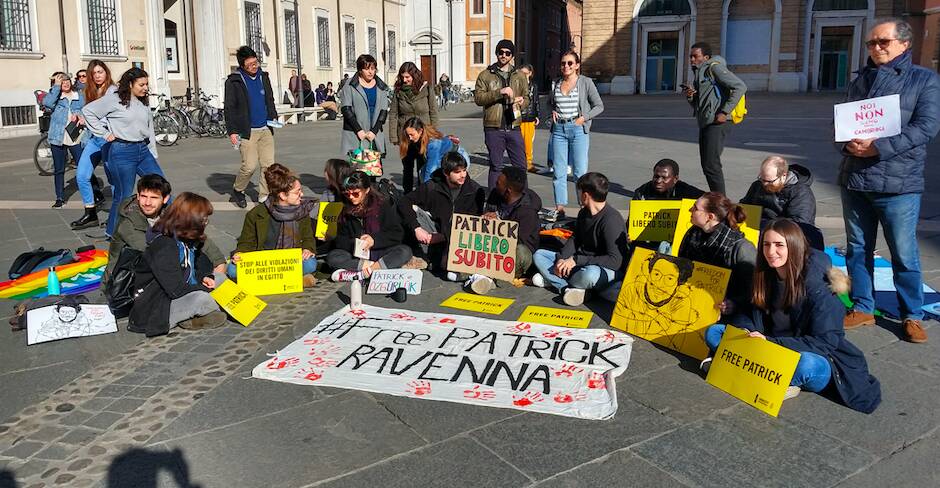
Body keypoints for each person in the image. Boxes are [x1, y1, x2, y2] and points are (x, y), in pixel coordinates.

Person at [702, 219, 882, 413]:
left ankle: (755, 372)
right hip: (767, 347)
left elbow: (825, 342)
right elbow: (750, 309)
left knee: (808, 366)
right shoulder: (765, 275)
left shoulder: (820, 289)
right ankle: (766, 376)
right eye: (766, 244)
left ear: (794, 247)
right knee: (714, 332)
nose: (771, 252)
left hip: (807, 353)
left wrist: (769, 342)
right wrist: (741, 318)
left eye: (779, 245)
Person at [840, 18, 940, 343]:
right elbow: (841, 121)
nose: (876, 48)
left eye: (883, 41)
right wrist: (846, 142)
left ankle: (912, 314)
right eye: (871, 43)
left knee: (904, 252)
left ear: (904, 44)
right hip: (855, 178)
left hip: (898, 182)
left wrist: (878, 148)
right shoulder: (860, 80)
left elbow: (926, 127)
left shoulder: (924, 79)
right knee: (857, 248)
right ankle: (863, 306)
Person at [129, 192, 227, 337]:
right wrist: (206, 289)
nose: (206, 222)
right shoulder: (164, 245)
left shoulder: (187, 238)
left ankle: (197, 315)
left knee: (221, 280)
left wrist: (207, 277)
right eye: (204, 218)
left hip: (183, 290)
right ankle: (190, 317)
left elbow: (201, 266)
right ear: (190, 219)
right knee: (204, 298)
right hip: (158, 305)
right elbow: (175, 289)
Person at [102, 174, 227, 288]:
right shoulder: (128, 223)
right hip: (124, 283)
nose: (147, 203)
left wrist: (217, 264)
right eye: (144, 196)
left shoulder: (168, 213)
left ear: (165, 199)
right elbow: (157, 255)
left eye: (154, 197)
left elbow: (199, 239)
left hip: (161, 273)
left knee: (210, 268)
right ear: (138, 196)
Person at [82, 67, 165, 237]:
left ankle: (167, 227)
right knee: (124, 195)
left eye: (146, 84)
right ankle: (112, 232)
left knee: (162, 188)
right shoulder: (114, 99)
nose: (145, 88)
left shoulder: (143, 101)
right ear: (130, 84)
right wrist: (105, 134)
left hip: (143, 150)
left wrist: (153, 152)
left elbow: (148, 128)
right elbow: (88, 112)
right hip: (121, 152)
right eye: (141, 84)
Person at [533, 172, 627, 306]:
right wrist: (561, 258)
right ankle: (567, 287)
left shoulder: (611, 220)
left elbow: (616, 261)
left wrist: (576, 260)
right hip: (578, 265)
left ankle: (559, 281)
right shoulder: (583, 213)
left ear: (585, 195)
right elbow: (575, 239)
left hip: (602, 269)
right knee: (539, 255)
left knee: (590, 275)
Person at [229, 164, 318, 288]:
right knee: (232, 270)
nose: (301, 194)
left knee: (310, 264)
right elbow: (246, 242)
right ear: (282, 195)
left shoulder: (302, 211)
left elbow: (308, 238)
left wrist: (308, 249)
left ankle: (270, 280)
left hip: (291, 261)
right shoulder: (256, 214)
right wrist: (240, 253)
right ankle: (292, 279)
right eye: (297, 192)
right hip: (265, 262)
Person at [397, 152, 486, 275]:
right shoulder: (432, 186)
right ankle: (422, 255)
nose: (463, 175)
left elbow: (473, 223)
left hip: (457, 237)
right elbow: (404, 201)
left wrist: (443, 236)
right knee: (409, 209)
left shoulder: (475, 191)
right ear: (446, 173)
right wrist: (416, 228)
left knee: (447, 265)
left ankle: (435, 259)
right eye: (457, 172)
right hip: (433, 229)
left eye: (464, 170)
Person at [467, 166, 543, 294]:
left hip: (515, 253)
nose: (495, 185)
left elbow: (519, 241)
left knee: (521, 252)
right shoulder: (495, 195)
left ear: (508, 191)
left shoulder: (527, 211)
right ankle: (483, 276)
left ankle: (488, 278)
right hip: (492, 248)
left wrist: (499, 225)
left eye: (498, 183)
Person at [683, 42, 746, 194]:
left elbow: (740, 86)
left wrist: (725, 112)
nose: (692, 59)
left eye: (695, 56)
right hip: (706, 122)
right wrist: (691, 96)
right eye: (690, 56)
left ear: (706, 57)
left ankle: (721, 201)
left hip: (717, 123)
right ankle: (717, 197)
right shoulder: (699, 74)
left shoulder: (714, 68)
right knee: (707, 164)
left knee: (711, 164)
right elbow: (700, 105)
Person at [327, 171, 414, 281]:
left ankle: (364, 272)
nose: (351, 197)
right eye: (347, 194)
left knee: (404, 251)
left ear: (367, 190)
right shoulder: (346, 210)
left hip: (382, 251)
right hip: (358, 255)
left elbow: (396, 234)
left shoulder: (383, 205)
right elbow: (340, 240)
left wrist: (374, 240)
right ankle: (374, 269)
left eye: (355, 193)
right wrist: (355, 242)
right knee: (333, 257)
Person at [678, 192, 756, 313]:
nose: (690, 210)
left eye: (695, 208)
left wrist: (734, 304)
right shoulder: (692, 234)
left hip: (725, 313)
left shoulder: (741, 248)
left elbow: (755, 290)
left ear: (710, 217)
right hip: (691, 303)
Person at [548, 50, 604, 218]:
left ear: (577, 65)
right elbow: (549, 103)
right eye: (563, 63)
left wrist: (584, 118)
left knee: (580, 172)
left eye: (570, 63)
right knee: (559, 171)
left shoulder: (585, 82)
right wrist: (551, 111)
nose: (566, 66)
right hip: (559, 130)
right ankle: (560, 208)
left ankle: (583, 206)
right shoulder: (555, 83)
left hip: (578, 129)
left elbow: (599, 106)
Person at [224, 45, 278, 208]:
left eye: (256, 63)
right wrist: (232, 131)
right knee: (249, 166)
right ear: (242, 66)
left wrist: (273, 115)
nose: (254, 67)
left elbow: (269, 98)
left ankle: (264, 196)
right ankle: (238, 190)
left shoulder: (264, 76)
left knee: (268, 166)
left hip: (266, 128)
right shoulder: (234, 81)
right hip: (247, 130)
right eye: (250, 65)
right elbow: (229, 106)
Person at [474, 39, 530, 190]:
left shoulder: (519, 75)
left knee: (520, 166)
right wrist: (499, 93)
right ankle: (493, 203)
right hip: (494, 127)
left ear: (512, 56)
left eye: (507, 53)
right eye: (501, 52)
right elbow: (478, 99)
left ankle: (522, 200)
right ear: (496, 53)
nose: (503, 55)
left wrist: (521, 102)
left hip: (514, 125)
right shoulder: (485, 75)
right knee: (496, 166)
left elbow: (527, 98)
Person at [70, 60, 114, 230]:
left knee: (113, 179)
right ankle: (91, 214)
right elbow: (90, 113)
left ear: (106, 72)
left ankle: (117, 216)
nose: (97, 75)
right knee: (82, 175)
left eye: (100, 72)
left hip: (108, 138)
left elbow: (109, 115)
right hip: (94, 139)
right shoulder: (91, 91)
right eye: (94, 73)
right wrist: (81, 117)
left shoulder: (112, 91)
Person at [389, 62, 439, 190]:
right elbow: (394, 114)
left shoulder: (427, 88)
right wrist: (394, 136)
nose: (404, 80)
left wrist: (434, 133)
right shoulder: (398, 91)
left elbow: (433, 111)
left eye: (407, 77)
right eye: (402, 77)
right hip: (406, 134)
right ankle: (407, 194)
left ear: (414, 75)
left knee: (424, 165)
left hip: (424, 133)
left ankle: (423, 193)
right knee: (407, 166)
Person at [43, 72, 85, 208]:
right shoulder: (55, 97)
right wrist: (56, 87)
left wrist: (79, 115)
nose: (65, 83)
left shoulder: (79, 96)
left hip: (76, 136)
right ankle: (60, 197)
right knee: (59, 169)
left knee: (84, 166)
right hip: (58, 136)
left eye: (67, 80)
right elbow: (47, 104)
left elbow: (87, 111)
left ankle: (96, 193)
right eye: (61, 81)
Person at [741, 155, 816, 226]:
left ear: (783, 176)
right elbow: (744, 206)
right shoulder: (757, 185)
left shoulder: (801, 192)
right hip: (757, 229)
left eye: (769, 181)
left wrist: (765, 225)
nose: (764, 184)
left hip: (786, 234)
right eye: (762, 179)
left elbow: (799, 223)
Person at [340, 54, 390, 158]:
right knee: (358, 169)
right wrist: (359, 130)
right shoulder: (350, 85)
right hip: (356, 133)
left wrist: (374, 131)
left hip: (374, 133)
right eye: (367, 69)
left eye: (373, 68)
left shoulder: (381, 86)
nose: (371, 72)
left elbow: (383, 111)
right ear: (360, 70)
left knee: (373, 169)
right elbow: (346, 109)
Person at [396, 117, 462, 192]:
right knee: (423, 174)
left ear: (420, 131)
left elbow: (431, 169)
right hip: (440, 156)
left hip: (455, 156)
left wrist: (426, 190)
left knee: (439, 178)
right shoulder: (414, 139)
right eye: (408, 135)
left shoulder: (433, 143)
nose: (410, 138)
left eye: (412, 135)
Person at [632, 159, 705, 201]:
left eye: (664, 178)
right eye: (656, 176)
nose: (658, 181)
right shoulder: (642, 192)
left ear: (675, 179)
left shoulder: (688, 192)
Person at [518, 64, 540, 174]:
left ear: (530, 73)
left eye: (525, 74)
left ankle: (529, 163)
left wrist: (537, 115)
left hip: (530, 117)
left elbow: (536, 102)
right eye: (521, 73)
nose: (523, 76)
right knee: (518, 142)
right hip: (519, 117)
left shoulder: (534, 86)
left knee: (528, 143)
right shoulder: (517, 85)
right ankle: (520, 163)